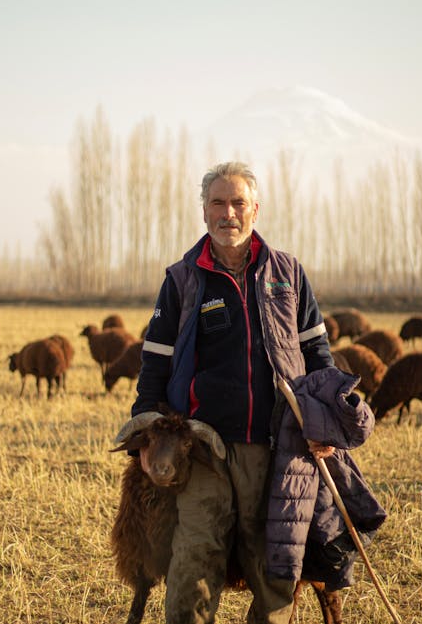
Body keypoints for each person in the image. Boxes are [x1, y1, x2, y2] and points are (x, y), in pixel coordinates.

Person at [131, 161, 355, 624]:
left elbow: (319, 358)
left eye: (238, 203)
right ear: (204, 212)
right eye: (217, 203)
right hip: (201, 447)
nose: (227, 213)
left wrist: (324, 423)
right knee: (195, 556)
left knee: (273, 564)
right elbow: (154, 361)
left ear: (255, 209)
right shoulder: (182, 279)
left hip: (275, 447)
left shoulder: (287, 274)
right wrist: (146, 435)